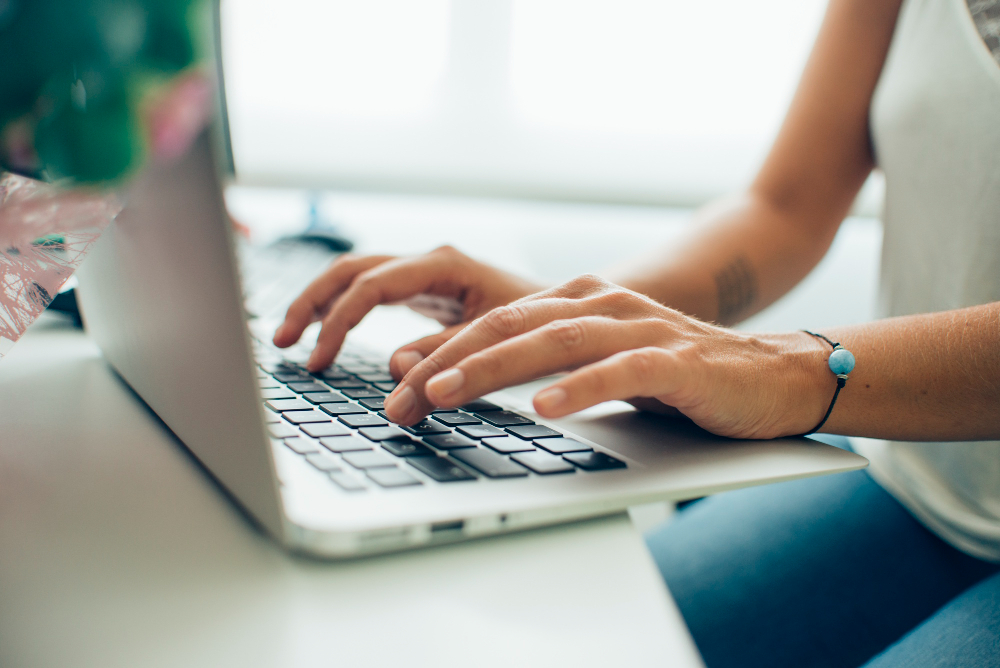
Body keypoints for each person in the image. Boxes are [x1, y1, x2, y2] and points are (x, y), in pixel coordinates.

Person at [275, 0, 999, 664]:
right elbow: (786, 207)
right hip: (913, 469)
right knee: (557, 645)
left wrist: (792, 371)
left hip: (881, 433)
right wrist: (572, 312)